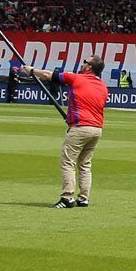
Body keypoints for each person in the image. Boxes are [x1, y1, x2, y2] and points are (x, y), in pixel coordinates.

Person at [19, 56, 109, 209]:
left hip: (81, 127)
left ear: (89, 67)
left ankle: (67, 197)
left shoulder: (76, 78)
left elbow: (49, 75)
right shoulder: (102, 86)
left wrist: (31, 70)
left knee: (67, 162)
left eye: (85, 62)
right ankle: (83, 198)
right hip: (96, 129)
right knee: (85, 164)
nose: (82, 64)